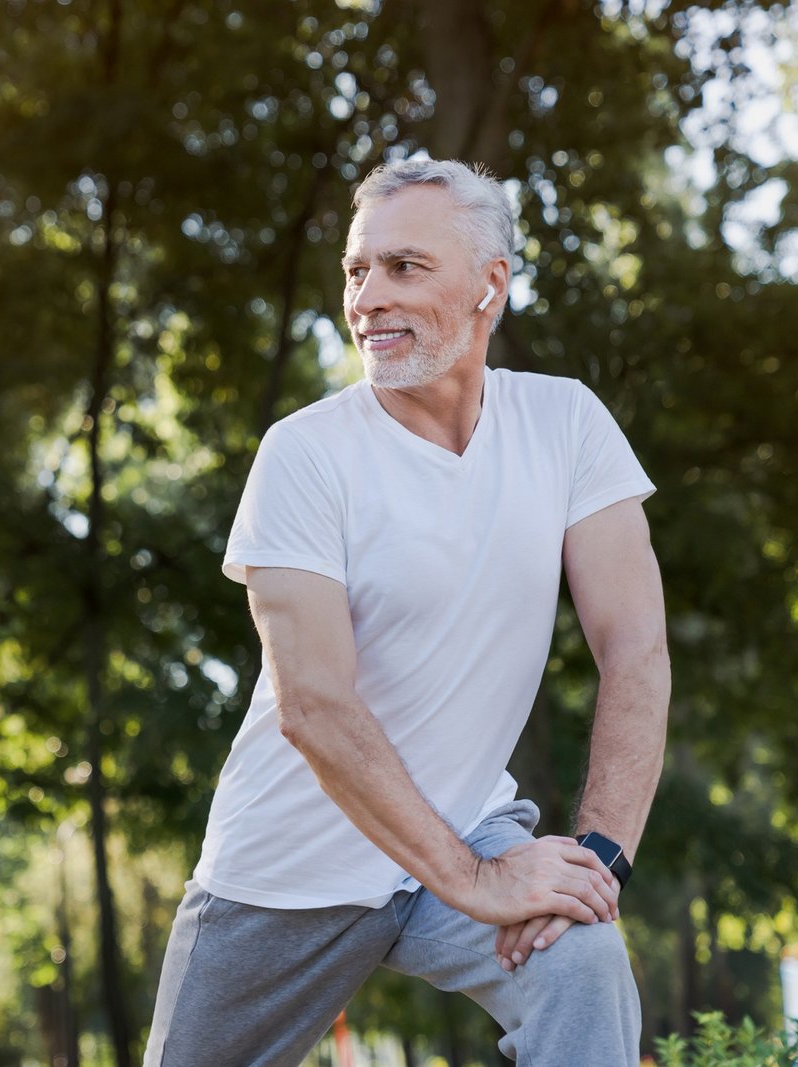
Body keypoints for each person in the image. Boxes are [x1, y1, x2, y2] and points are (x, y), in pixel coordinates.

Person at [144, 159, 669, 1066]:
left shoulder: (567, 425)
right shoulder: (304, 455)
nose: (368, 298)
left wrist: (598, 860)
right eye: (357, 270)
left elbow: (635, 647)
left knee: (580, 963)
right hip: (290, 863)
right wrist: (477, 880)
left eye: (404, 267)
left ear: (489, 287)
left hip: (467, 823)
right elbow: (316, 705)